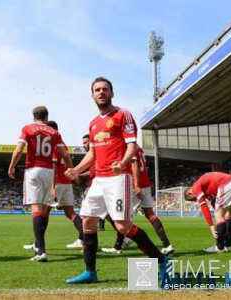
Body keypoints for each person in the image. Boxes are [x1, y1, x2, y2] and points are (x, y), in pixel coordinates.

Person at [64, 77, 172, 284]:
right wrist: (76, 170)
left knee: (122, 226)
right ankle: (90, 272)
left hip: (118, 178)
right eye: (97, 90)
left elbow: (132, 146)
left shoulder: (123, 115)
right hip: (99, 180)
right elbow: (93, 155)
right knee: (87, 220)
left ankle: (162, 261)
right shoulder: (94, 124)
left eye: (105, 89)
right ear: (92, 95)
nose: (101, 92)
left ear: (112, 93)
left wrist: (121, 164)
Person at [9, 106, 72, 262]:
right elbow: (64, 154)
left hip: (33, 169)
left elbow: (19, 149)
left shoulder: (28, 128)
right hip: (49, 172)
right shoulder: (54, 132)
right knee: (44, 210)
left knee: (36, 209)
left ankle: (40, 251)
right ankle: (38, 244)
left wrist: (12, 165)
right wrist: (72, 169)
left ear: (33, 116)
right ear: (46, 116)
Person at [102, 146, 174, 255]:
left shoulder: (128, 146)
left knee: (120, 217)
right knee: (150, 215)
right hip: (146, 184)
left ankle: (118, 246)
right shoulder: (138, 148)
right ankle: (167, 245)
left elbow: (134, 163)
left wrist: (136, 185)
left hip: (134, 186)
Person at [46, 121, 83, 249]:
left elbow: (54, 166)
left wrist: (52, 188)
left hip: (57, 183)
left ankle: (37, 242)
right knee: (70, 213)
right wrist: (74, 177)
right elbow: (67, 161)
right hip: (67, 183)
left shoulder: (54, 145)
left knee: (44, 212)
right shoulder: (63, 145)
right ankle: (84, 237)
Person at [184, 172, 231, 253]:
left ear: (189, 194)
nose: (195, 200)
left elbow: (204, 206)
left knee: (218, 215)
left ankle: (219, 247)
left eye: (192, 199)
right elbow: (212, 201)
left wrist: (211, 226)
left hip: (227, 184)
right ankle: (228, 246)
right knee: (228, 215)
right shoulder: (205, 188)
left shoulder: (195, 188)